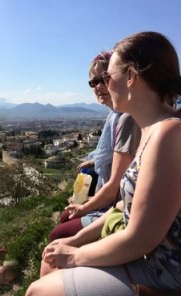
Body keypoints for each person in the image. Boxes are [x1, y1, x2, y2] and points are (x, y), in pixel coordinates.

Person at [21, 31, 181, 296]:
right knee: (51, 265)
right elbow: (121, 207)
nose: (102, 85)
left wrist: (75, 256)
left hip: (169, 276)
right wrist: (76, 240)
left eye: (107, 76)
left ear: (131, 77)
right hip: (150, 261)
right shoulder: (153, 130)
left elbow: (141, 238)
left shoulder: (170, 133)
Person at [46, 52, 141, 245]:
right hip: (110, 197)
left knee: (59, 233)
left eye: (104, 79)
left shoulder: (126, 119)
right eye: (93, 82)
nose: (99, 86)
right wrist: (94, 160)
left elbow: (116, 185)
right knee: (65, 217)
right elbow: (113, 157)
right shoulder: (114, 116)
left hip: (115, 205)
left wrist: (86, 205)